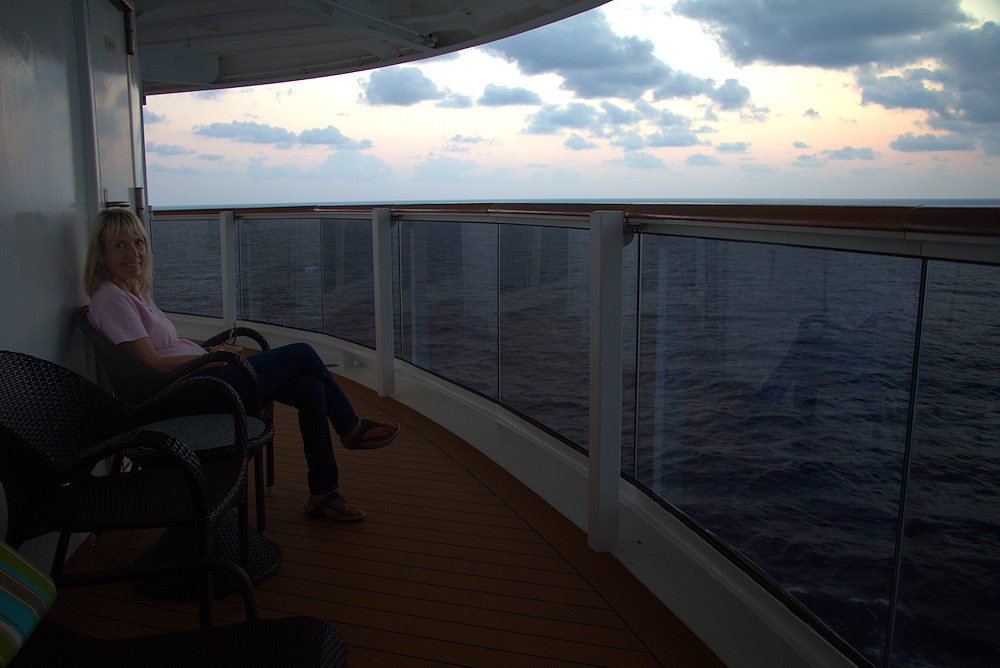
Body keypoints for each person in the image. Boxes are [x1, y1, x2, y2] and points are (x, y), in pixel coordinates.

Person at [83, 209, 398, 521]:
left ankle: (323, 493)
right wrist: (211, 358)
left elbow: (164, 349)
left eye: (138, 242)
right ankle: (350, 428)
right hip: (186, 393)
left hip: (199, 377)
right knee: (302, 353)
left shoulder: (133, 290)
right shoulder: (112, 300)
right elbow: (154, 365)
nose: (134, 252)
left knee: (311, 389)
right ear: (101, 252)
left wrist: (207, 350)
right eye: (120, 245)